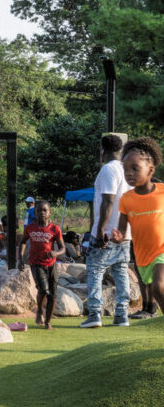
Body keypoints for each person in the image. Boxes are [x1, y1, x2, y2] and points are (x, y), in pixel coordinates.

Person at [82, 133, 133, 329]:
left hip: (107, 232)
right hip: (124, 231)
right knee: (121, 272)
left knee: (95, 270)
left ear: (103, 150)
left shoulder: (108, 170)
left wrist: (101, 229)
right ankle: (122, 314)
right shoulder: (128, 170)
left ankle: (95, 314)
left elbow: (108, 200)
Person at [112, 137, 164, 316]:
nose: (129, 173)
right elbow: (122, 228)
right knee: (154, 289)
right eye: (126, 169)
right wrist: (118, 236)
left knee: (158, 286)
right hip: (142, 254)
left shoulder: (162, 191)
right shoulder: (126, 199)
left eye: (135, 168)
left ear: (150, 170)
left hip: (162, 251)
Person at [20, 199, 64, 331]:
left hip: (51, 265)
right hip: (36, 263)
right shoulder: (30, 228)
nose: (42, 213)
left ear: (50, 213)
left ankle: (48, 321)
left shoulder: (55, 229)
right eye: (39, 210)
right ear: (35, 212)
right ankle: (39, 310)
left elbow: (63, 248)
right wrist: (20, 258)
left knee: (53, 294)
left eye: (45, 210)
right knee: (44, 290)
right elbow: (23, 242)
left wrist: (55, 253)